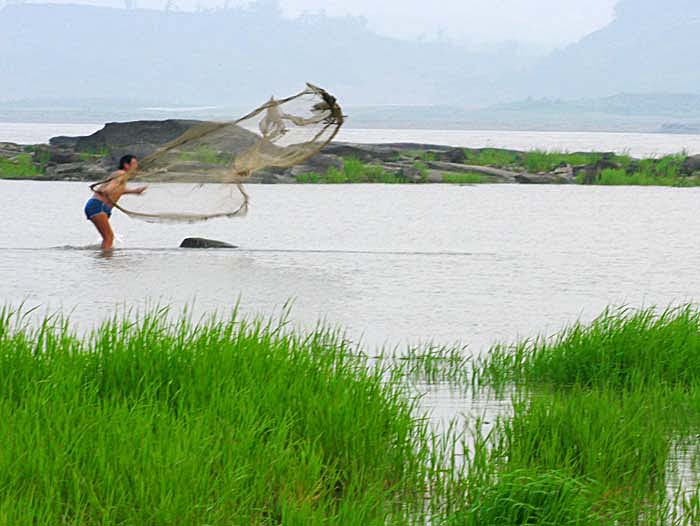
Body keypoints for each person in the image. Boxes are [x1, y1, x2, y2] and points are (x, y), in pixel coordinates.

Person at [84, 154, 147, 250]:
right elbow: (109, 189)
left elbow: (118, 189)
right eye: (134, 163)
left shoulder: (121, 175)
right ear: (126, 165)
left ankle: (104, 256)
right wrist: (108, 189)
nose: (136, 166)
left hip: (101, 207)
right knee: (109, 238)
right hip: (98, 205)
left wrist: (135, 191)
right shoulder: (121, 173)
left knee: (107, 237)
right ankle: (105, 261)